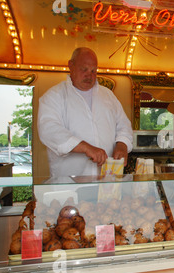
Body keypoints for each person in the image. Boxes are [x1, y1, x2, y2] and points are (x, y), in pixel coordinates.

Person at [38, 47, 133, 177]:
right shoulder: (54, 96)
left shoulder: (108, 96)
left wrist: (122, 145)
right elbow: (49, 130)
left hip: (107, 182)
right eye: (84, 69)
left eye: (93, 70)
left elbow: (124, 125)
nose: (89, 75)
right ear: (71, 65)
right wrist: (86, 148)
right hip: (69, 184)